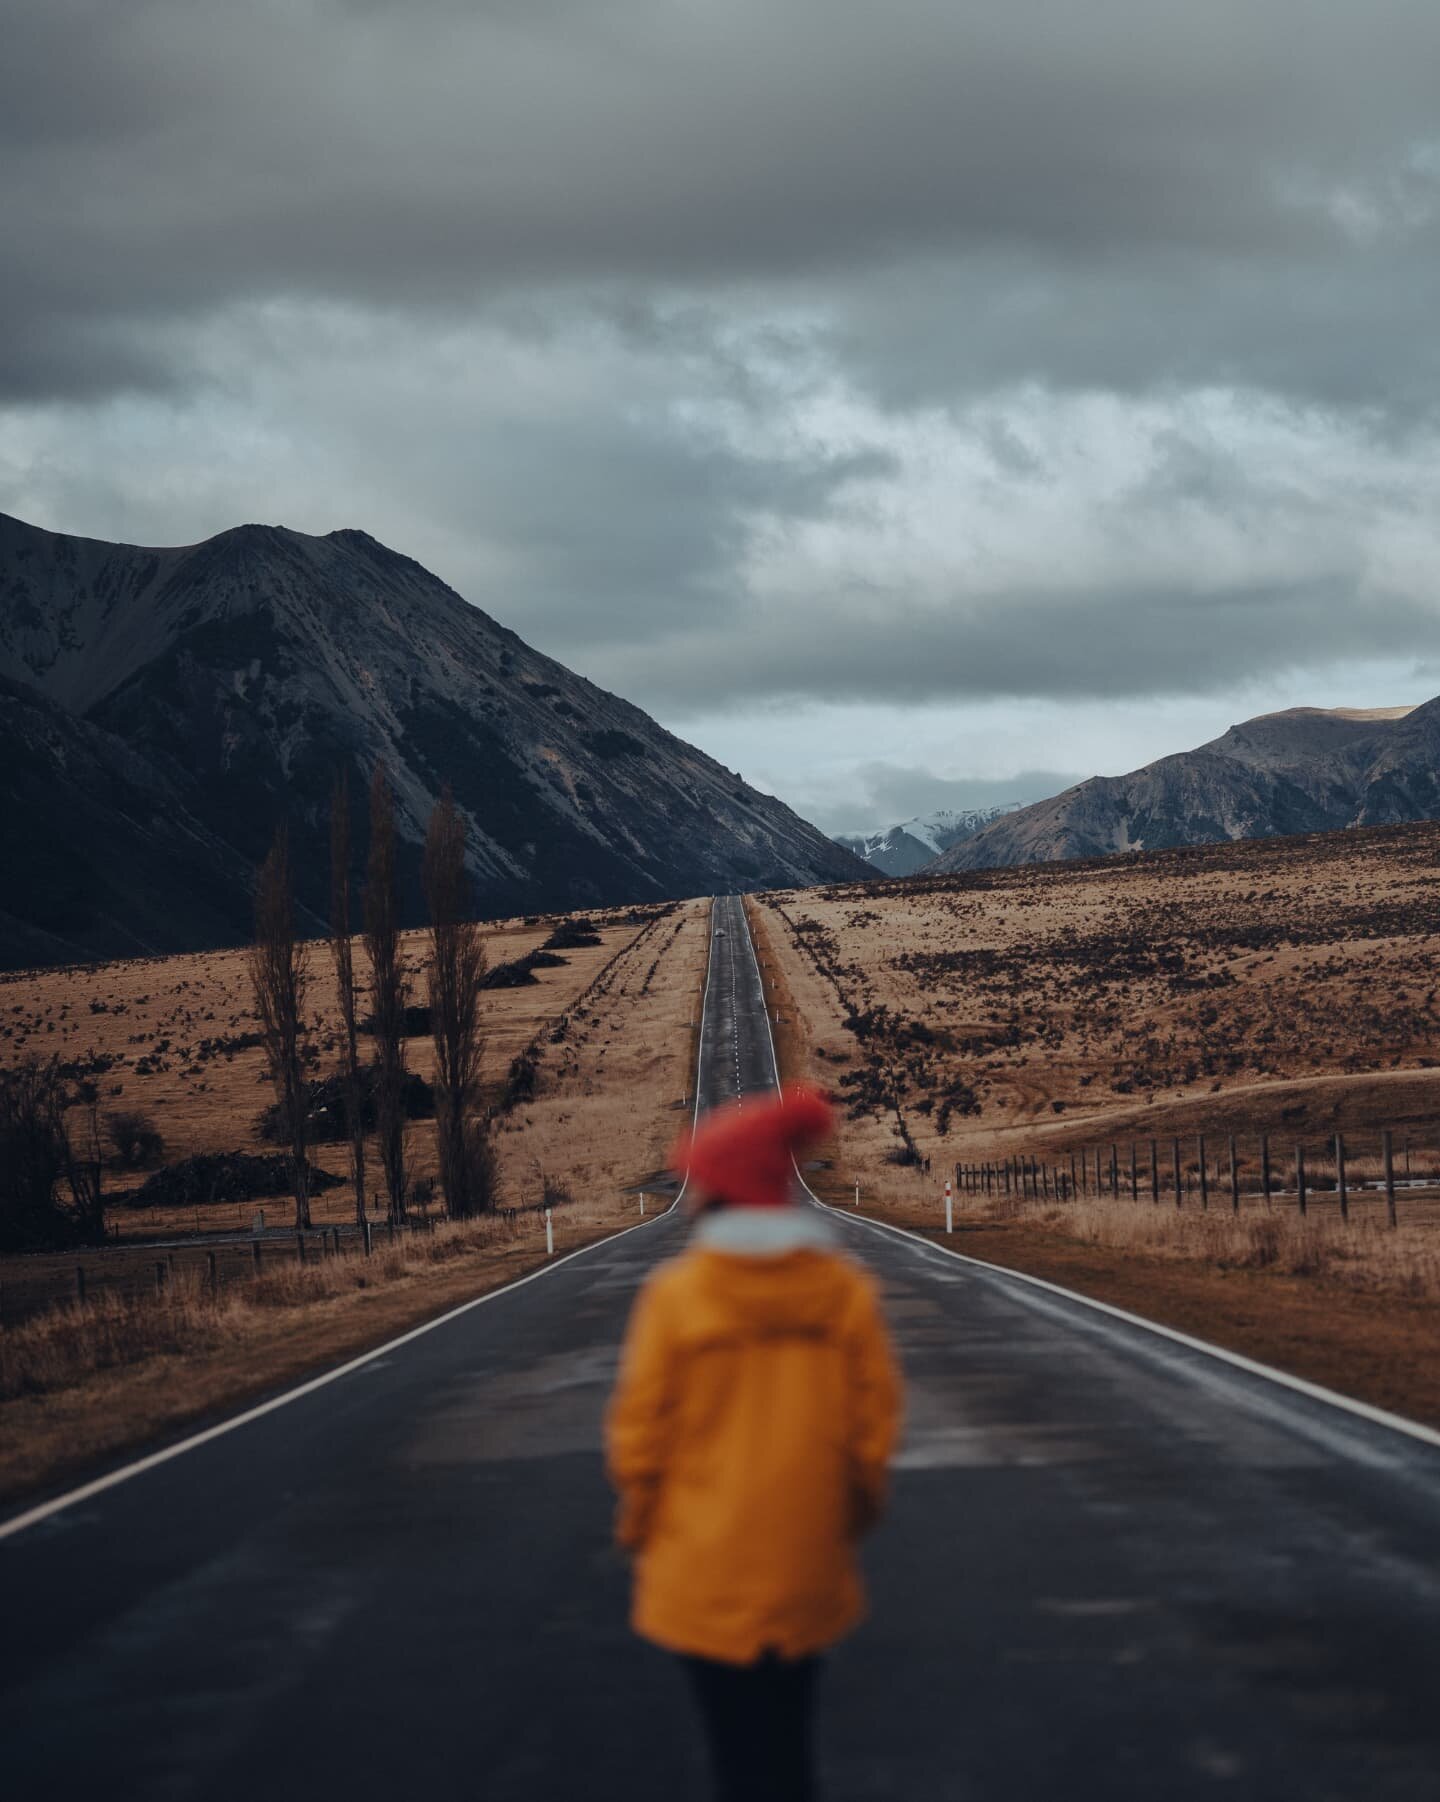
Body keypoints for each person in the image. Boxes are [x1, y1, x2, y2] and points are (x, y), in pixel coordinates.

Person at [605, 1083, 903, 1802]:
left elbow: (640, 1439)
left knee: (735, 1755)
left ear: (722, 1189)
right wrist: (845, 1524)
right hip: (806, 1560)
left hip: (702, 1568)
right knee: (790, 1744)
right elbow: (873, 1434)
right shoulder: (844, 1292)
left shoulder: (677, 1297)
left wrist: (643, 1528)